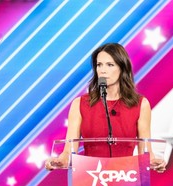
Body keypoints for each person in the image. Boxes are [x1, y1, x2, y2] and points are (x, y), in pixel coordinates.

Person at [45, 42, 166, 173]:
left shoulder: (140, 104)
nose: (102, 70)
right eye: (99, 65)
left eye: (110, 65)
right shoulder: (80, 104)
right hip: (89, 179)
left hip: (126, 179)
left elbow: (146, 153)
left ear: (122, 68)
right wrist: (59, 161)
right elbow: (68, 151)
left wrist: (154, 162)